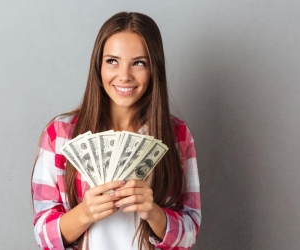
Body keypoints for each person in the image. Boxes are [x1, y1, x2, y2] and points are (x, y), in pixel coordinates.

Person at [32, 11, 201, 250]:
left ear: (154, 68)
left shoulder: (177, 136)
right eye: (112, 61)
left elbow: (190, 231)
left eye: (139, 63)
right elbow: (43, 235)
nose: (124, 76)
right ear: (98, 66)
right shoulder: (60, 134)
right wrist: (85, 213)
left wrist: (152, 212)